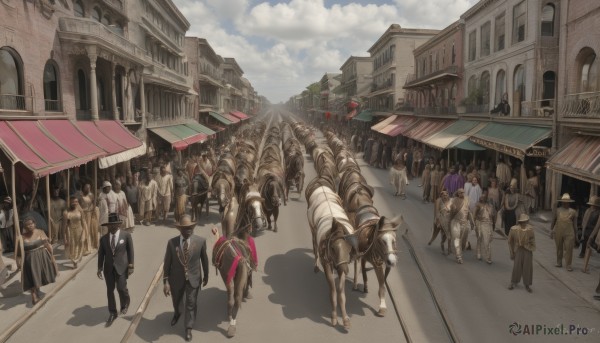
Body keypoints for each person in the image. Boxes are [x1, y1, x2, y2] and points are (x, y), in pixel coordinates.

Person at [163, 215, 209, 342]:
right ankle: (177, 313)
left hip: (194, 278)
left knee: (191, 302)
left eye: (190, 228)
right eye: (185, 228)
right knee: (177, 300)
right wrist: (165, 281)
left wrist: (206, 275)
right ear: (180, 230)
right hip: (176, 278)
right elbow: (167, 263)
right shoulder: (172, 243)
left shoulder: (200, 242)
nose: (188, 230)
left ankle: (188, 327)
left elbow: (204, 260)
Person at [97, 213, 134, 327]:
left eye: (115, 224)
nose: (113, 227)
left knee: (121, 288)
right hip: (108, 268)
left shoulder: (126, 235)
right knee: (110, 290)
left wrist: (131, 265)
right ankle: (113, 312)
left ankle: (125, 303)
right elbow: (101, 254)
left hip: (122, 266)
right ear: (108, 226)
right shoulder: (103, 239)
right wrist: (99, 268)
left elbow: (130, 250)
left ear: (119, 224)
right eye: (111, 225)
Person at [15, 217, 57, 305]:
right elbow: (19, 253)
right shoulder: (21, 238)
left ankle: (37, 290)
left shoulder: (40, 232)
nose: (30, 226)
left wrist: (52, 256)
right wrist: (18, 263)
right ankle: (33, 296)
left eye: (31, 224)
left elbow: (46, 244)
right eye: (27, 225)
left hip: (42, 257)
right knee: (32, 277)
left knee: (40, 276)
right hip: (29, 259)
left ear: (35, 224)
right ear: (24, 227)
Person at [550, 193, 578, 271]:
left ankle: (568, 264)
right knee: (559, 247)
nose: (565, 203)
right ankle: (559, 262)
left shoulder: (573, 212)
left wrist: (577, 236)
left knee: (569, 248)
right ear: (562, 202)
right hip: (558, 230)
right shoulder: (558, 210)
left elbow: (575, 225)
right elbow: (553, 220)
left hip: (569, 232)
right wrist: (551, 230)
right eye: (564, 202)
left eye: (567, 202)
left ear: (569, 202)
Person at [508, 213, 535, 292]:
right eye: (523, 221)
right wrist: (512, 252)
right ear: (520, 222)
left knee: (528, 267)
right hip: (518, 250)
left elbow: (533, 240)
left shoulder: (530, 230)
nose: (524, 223)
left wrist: (530, 247)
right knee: (516, 267)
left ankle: (527, 284)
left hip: (527, 250)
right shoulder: (514, 229)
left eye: (526, 221)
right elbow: (510, 241)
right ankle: (513, 282)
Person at [449, 188, 475, 264]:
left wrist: (472, 222)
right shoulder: (454, 200)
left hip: (465, 223)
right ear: (458, 193)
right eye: (460, 192)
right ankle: (459, 256)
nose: (462, 194)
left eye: (463, 192)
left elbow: (469, 212)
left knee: (463, 242)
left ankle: (461, 249)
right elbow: (451, 212)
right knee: (457, 239)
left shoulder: (467, 200)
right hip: (456, 222)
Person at [62, 197, 87, 269]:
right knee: (72, 247)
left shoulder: (80, 211)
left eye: (76, 201)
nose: (75, 203)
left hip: (80, 230)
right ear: (69, 202)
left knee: (79, 245)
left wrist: (85, 232)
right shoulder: (66, 212)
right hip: (70, 231)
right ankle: (74, 261)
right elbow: (64, 227)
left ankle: (77, 259)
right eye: (73, 202)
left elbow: (83, 221)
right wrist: (65, 239)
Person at [473, 191, 496, 264]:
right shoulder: (478, 205)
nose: (483, 198)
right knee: (480, 238)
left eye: (485, 197)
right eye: (482, 197)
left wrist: (494, 225)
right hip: (480, 223)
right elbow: (474, 215)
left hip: (489, 224)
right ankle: (486, 256)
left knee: (488, 239)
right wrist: (474, 224)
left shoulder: (490, 206)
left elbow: (493, 216)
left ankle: (481, 253)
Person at [582, 196, 600, 273]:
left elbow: (584, 223)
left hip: (587, 232)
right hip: (592, 233)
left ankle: (584, 267)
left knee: (588, 250)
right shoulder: (598, 212)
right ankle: (585, 268)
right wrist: (592, 237)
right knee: (589, 250)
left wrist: (583, 233)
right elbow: (597, 227)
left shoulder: (588, 211)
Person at [80, 183, 99, 250]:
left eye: (89, 188)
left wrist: (93, 210)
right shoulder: (81, 195)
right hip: (83, 214)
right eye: (86, 188)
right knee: (83, 230)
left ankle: (90, 245)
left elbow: (94, 203)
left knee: (89, 229)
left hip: (89, 214)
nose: (88, 189)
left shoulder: (91, 195)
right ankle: (84, 246)